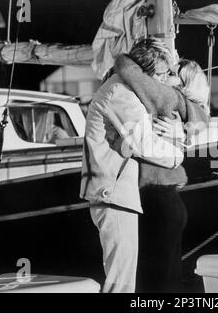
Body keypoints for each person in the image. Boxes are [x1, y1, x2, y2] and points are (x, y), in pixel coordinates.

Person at [80, 38, 184, 293]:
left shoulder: (122, 88)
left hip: (116, 193)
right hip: (113, 194)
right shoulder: (121, 93)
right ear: (146, 72)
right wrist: (177, 153)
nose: (163, 80)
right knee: (121, 281)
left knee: (122, 278)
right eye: (161, 74)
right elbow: (144, 144)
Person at [115, 50, 210, 292]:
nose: (165, 74)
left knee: (155, 281)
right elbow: (202, 119)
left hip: (155, 200)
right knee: (166, 278)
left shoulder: (166, 96)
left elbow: (125, 69)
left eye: (172, 72)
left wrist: (141, 54)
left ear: (183, 83)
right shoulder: (186, 106)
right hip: (167, 200)